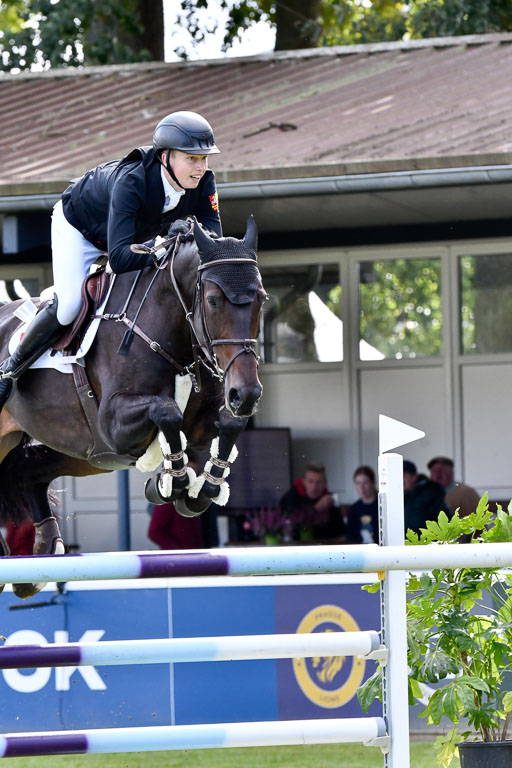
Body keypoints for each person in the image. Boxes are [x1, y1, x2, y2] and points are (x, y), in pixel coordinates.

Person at [0, 110, 222, 412]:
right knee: (69, 306)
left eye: (204, 158)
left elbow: (212, 243)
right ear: (165, 156)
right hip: (80, 229)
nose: (200, 167)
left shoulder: (204, 183)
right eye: (191, 158)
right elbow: (118, 259)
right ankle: (9, 371)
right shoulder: (132, 182)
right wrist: (166, 242)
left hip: (129, 237)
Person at [280, 462, 344, 540]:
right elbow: (289, 527)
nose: (314, 486)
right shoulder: (290, 498)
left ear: (325, 484)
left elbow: (340, 531)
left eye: (319, 482)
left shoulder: (329, 499)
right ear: (304, 482)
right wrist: (316, 509)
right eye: (311, 481)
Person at [403, 459, 447, 536]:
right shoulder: (402, 497)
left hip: (427, 544)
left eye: (403, 476)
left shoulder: (431, 493)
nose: (400, 480)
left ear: (414, 477)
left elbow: (443, 520)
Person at [346, 466, 379, 544]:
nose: (362, 487)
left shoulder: (382, 506)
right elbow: (350, 537)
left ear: (373, 482)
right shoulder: (354, 509)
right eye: (358, 483)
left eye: (365, 482)